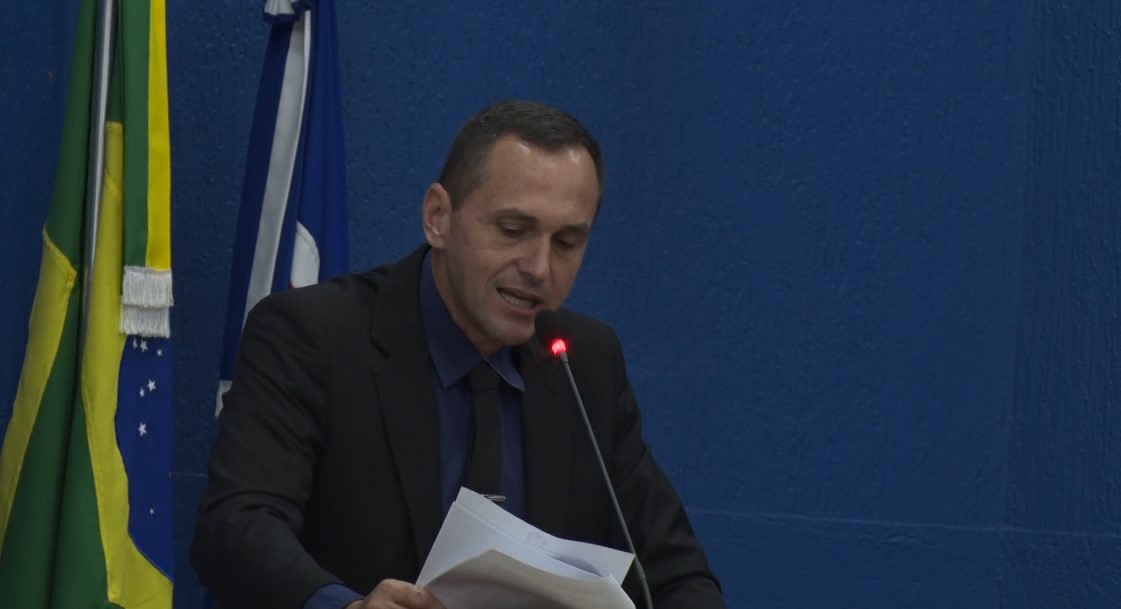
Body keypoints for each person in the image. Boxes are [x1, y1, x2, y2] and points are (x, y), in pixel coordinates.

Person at [191, 100, 726, 609]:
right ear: (438, 217)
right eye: (513, 230)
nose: (539, 268)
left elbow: (675, 573)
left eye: (566, 242)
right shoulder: (314, 337)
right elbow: (236, 526)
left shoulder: (585, 363)